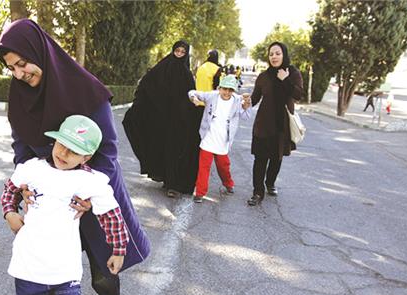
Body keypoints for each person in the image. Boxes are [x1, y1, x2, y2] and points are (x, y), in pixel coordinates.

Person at [0, 19, 150, 295]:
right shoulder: (20, 98)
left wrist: (87, 194)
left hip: (89, 186)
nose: (19, 74)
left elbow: (107, 152)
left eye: (22, 63)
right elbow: (21, 149)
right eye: (11, 68)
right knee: (50, 255)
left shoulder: (84, 90)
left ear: (38, 52)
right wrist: (25, 185)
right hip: (47, 192)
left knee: (99, 246)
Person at [1, 114, 128, 295]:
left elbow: (111, 215)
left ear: (87, 157)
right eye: (61, 144)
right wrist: (10, 213)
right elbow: (9, 190)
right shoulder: (32, 168)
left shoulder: (90, 181)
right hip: (28, 264)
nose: (63, 153)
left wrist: (118, 250)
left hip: (64, 269)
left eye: (74, 151)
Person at [122, 40, 202, 198]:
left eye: (182, 52)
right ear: (173, 51)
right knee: (162, 147)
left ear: (186, 54)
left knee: (175, 149)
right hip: (162, 120)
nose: (179, 54)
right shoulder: (162, 67)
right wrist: (141, 103)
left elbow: (190, 95)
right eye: (177, 51)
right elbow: (146, 84)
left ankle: (173, 184)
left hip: (179, 121)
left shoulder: (186, 74)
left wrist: (195, 108)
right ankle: (166, 178)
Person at [247, 41, 303, 206]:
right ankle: (257, 192)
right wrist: (245, 101)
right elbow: (255, 99)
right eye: (271, 54)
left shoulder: (293, 73)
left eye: (278, 53)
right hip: (263, 124)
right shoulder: (263, 76)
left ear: (284, 55)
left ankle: (270, 182)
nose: (274, 57)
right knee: (260, 159)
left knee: (276, 159)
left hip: (282, 125)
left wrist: (285, 80)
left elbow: (298, 94)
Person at [188, 75, 252, 203]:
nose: (227, 92)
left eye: (230, 90)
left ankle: (228, 184)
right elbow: (192, 92)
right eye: (224, 89)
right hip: (208, 138)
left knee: (223, 167)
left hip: (223, 140)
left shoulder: (237, 100)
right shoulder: (211, 96)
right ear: (219, 88)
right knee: (204, 167)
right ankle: (200, 193)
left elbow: (246, 117)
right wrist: (194, 98)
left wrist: (246, 106)